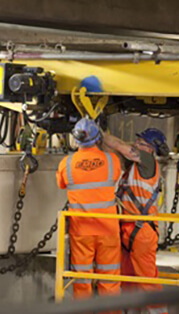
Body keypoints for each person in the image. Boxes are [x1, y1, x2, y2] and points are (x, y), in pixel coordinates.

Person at [103, 128, 169, 314]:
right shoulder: (134, 167)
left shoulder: (148, 162)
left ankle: (159, 312)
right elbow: (115, 150)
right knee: (128, 278)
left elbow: (121, 147)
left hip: (142, 231)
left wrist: (101, 134)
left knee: (147, 279)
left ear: (150, 149)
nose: (135, 145)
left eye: (140, 143)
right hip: (127, 228)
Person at [56, 118, 122, 300]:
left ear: (76, 139)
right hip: (108, 229)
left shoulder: (66, 164)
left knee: (82, 279)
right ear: (98, 138)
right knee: (109, 279)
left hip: (81, 231)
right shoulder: (111, 160)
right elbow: (115, 178)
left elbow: (61, 184)